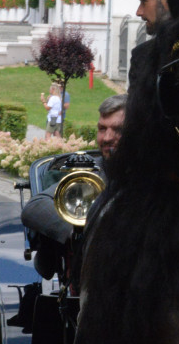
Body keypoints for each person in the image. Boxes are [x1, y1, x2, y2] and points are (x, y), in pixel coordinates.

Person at [22, 94, 127, 279]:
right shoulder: (89, 174)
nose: (107, 137)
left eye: (118, 130)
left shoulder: (158, 179)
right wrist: (80, 229)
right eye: (102, 129)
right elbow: (35, 206)